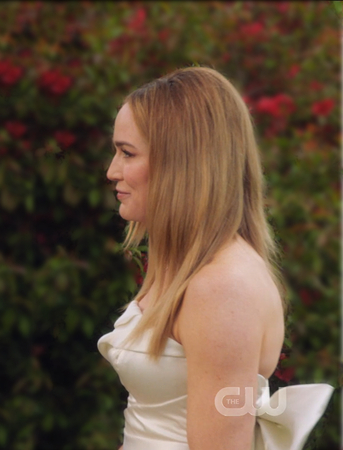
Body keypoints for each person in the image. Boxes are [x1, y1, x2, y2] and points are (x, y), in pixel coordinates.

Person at [98, 67, 332, 450]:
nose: (112, 170)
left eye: (127, 153)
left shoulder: (223, 287)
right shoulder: (188, 265)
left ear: (182, 162)